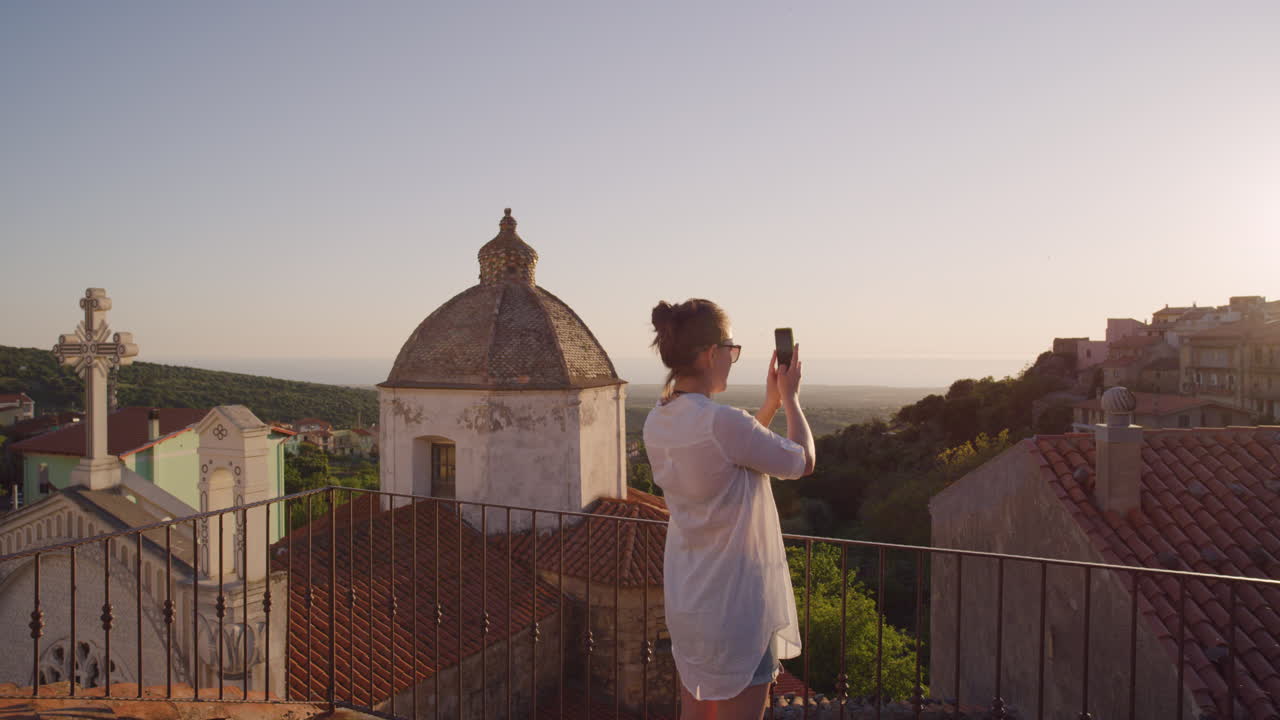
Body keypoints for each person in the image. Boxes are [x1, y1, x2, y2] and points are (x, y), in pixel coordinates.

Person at [643, 298, 816, 720]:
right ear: (709, 354)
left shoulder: (657, 421)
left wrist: (770, 405)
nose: (732, 359)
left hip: (690, 598)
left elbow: (732, 452)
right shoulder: (723, 422)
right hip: (736, 606)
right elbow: (802, 460)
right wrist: (791, 398)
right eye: (731, 349)